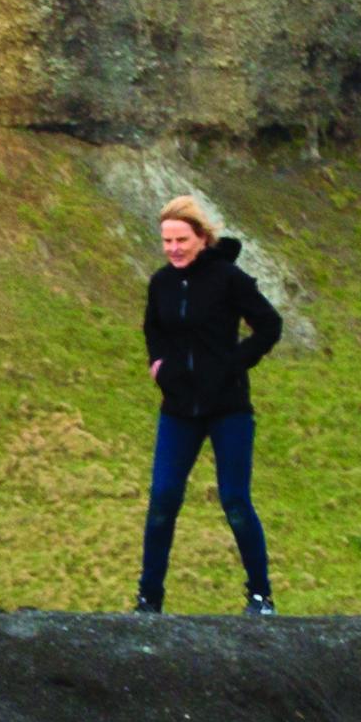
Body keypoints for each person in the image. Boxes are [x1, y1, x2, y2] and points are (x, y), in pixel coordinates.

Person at [136, 193, 284, 614]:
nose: (173, 249)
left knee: (235, 500)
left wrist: (232, 365)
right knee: (163, 498)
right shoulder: (160, 283)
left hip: (228, 409)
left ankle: (260, 596)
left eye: (181, 239)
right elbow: (153, 329)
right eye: (166, 241)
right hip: (178, 409)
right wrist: (159, 366)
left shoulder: (228, 279)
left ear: (202, 237)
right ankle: (149, 600)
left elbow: (270, 325)